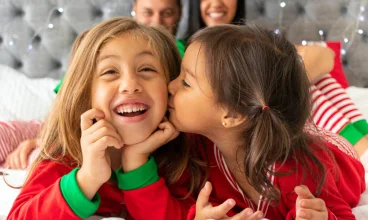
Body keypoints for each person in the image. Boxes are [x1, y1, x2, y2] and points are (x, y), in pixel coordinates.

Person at [167, 24, 365, 219]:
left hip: (338, 153)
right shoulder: (199, 144)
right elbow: (186, 203)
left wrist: (322, 217)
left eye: (186, 82)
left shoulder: (300, 175)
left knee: (312, 93)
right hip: (268, 127)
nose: (170, 86)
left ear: (232, 115)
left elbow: (340, 215)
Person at [7, 17, 194, 219]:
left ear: (170, 88)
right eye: (110, 71)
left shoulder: (181, 157)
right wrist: (87, 178)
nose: (130, 85)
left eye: (147, 69)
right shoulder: (65, 157)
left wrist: (136, 163)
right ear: (85, 94)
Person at [2, 0, 186, 169]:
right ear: (135, 10)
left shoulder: (179, 54)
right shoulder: (103, 43)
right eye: (148, 12)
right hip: (58, 123)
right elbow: (66, 100)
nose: (157, 20)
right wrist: (46, 139)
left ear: (179, 13)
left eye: (166, 13)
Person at [193, 0, 368, 156]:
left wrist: (287, 75)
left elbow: (326, 56)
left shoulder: (253, 44)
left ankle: (362, 140)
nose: (216, 3)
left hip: (263, 100)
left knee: (305, 78)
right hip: (242, 112)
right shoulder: (188, 50)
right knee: (298, 85)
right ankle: (360, 148)